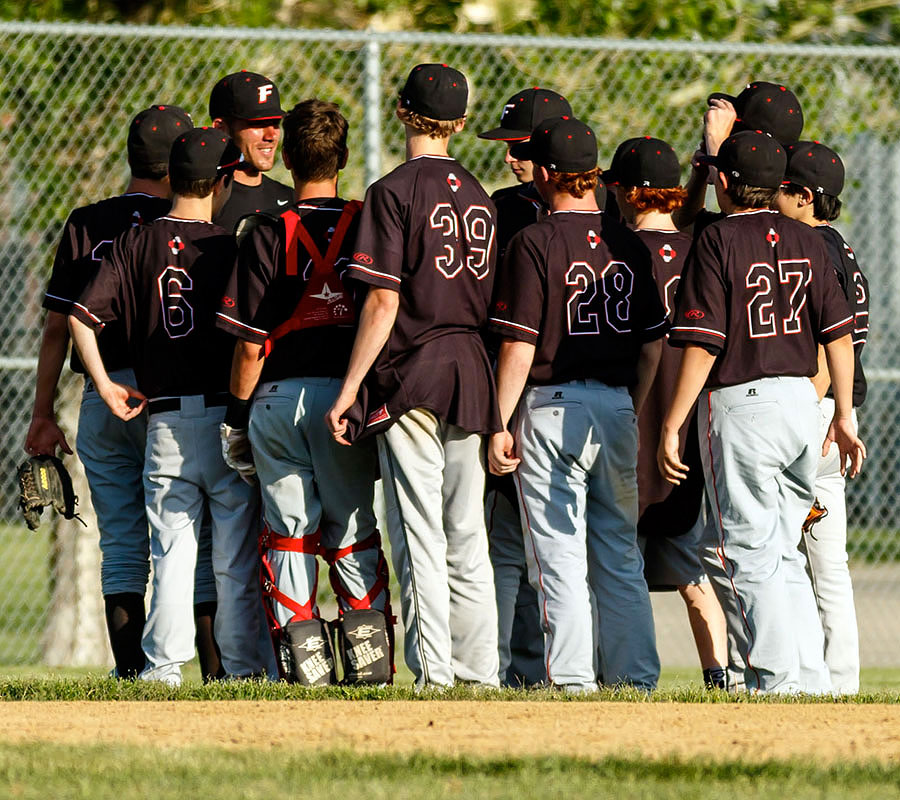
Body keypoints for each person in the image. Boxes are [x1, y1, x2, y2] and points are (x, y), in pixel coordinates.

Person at [23, 105, 226, 680]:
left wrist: (42, 414)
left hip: (102, 391)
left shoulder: (86, 220)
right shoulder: (185, 220)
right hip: (171, 397)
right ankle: (213, 674)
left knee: (123, 546)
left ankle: (133, 674)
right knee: (193, 537)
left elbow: (59, 326)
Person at [659, 130, 866, 694]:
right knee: (783, 551)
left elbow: (702, 343)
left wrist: (673, 421)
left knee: (741, 550)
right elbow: (839, 335)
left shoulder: (719, 239)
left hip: (743, 403)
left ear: (723, 180)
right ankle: (811, 680)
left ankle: (775, 682)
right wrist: (843, 413)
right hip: (805, 404)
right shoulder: (810, 240)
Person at [68, 127, 264, 685]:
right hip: (225, 416)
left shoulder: (134, 241)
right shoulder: (227, 245)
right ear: (222, 180)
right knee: (230, 553)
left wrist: (104, 384)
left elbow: (81, 316)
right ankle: (242, 669)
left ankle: (161, 669)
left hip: (166, 422)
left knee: (171, 549)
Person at [326, 63, 500, 688]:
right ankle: (480, 672)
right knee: (467, 532)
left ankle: (435, 674)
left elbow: (382, 301)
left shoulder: (392, 191)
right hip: (471, 367)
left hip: (413, 368)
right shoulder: (481, 194)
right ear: (459, 123)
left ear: (402, 111)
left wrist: (350, 389)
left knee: (421, 534)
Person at [216, 98, 393, 685]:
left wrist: (237, 420)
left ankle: (306, 669)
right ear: (342, 158)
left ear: (287, 158)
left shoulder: (266, 230)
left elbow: (247, 345)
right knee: (352, 527)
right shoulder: (369, 220)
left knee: (290, 534)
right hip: (345, 398)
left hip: (276, 397)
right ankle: (368, 663)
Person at [488, 116, 665, 692]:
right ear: (592, 175)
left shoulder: (534, 240)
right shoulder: (629, 244)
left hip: (551, 406)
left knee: (556, 555)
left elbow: (519, 344)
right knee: (618, 552)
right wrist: (630, 406)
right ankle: (636, 679)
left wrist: (498, 422)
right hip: (614, 404)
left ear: (544, 173)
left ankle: (570, 679)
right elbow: (651, 345)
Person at [609, 136, 729, 690]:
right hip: (690, 423)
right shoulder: (701, 246)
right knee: (691, 571)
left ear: (630, 193)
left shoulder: (615, 253)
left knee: (618, 561)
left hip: (636, 421)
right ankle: (719, 675)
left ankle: (625, 675)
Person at [476, 87, 575, 688]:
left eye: (520, 146)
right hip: (509, 389)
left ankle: (557, 671)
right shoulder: (498, 207)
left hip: (563, 395)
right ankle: (509, 671)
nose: (511, 157)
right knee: (505, 544)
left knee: (561, 545)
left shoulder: (597, 212)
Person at [776, 141, 869, 694]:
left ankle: (794, 675)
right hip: (837, 409)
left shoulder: (807, 244)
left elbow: (823, 341)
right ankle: (841, 682)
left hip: (814, 410)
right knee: (828, 562)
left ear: (804, 196)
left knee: (781, 550)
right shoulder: (841, 245)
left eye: (782, 187)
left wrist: (814, 407)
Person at [209, 71, 293, 232]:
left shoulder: (289, 198)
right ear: (221, 128)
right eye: (258, 124)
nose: (271, 135)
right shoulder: (205, 199)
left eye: (275, 123)